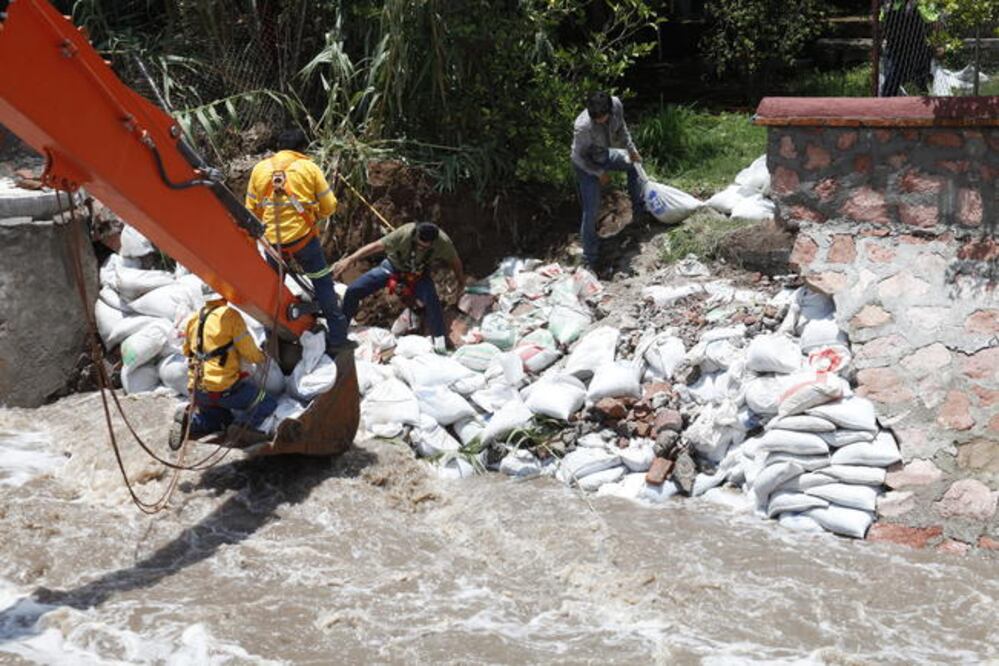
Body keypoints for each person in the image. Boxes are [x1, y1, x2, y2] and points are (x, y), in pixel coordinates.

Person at [245, 128, 353, 353]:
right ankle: (338, 339)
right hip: (303, 241)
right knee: (323, 285)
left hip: (272, 244)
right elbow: (330, 206)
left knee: (272, 290)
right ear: (302, 149)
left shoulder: (259, 170)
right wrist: (313, 215)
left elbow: (251, 209)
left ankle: (274, 340)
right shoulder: (309, 168)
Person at [168, 283, 277, 450]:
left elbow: (186, 351)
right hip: (224, 390)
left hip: (198, 390)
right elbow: (249, 352)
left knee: (219, 420)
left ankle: (189, 421)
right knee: (266, 401)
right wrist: (264, 357)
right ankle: (242, 427)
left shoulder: (193, 319)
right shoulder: (230, 316)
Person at [333, 222, 464, 353]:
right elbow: (376, 246)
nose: (420, 248)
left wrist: (461, 282)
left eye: (425, 247)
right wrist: (350, 259)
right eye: (419, 244)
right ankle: (339, 332)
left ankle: (440, 344)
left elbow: (455, 261)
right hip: (393, 267)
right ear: (415, 236)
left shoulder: (443, 243)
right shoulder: (404, 233)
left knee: (432, 301)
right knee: (354, 290)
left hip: (418, 274)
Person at [571, 91, 645, 270]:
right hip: (587, 165)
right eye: (595, 118)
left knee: (634, 166)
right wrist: (598, 173)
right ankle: (589, 259)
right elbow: (576, 157)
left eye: (602, 117)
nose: (599, 121)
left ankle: (639, 214)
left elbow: (622, 128)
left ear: (610, 110)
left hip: (604, 155)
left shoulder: (616, 105)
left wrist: (631, 150)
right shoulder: (583, 126)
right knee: (591, 210)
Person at [880, 0, 938, 96]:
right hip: (895, 46)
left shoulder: (920, 4)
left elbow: (932, 21)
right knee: (892, 76)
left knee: (920, 75)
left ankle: (921, 94)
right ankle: (886, 102)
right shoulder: (890, 4)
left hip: (915, 45)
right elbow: (882, 21)